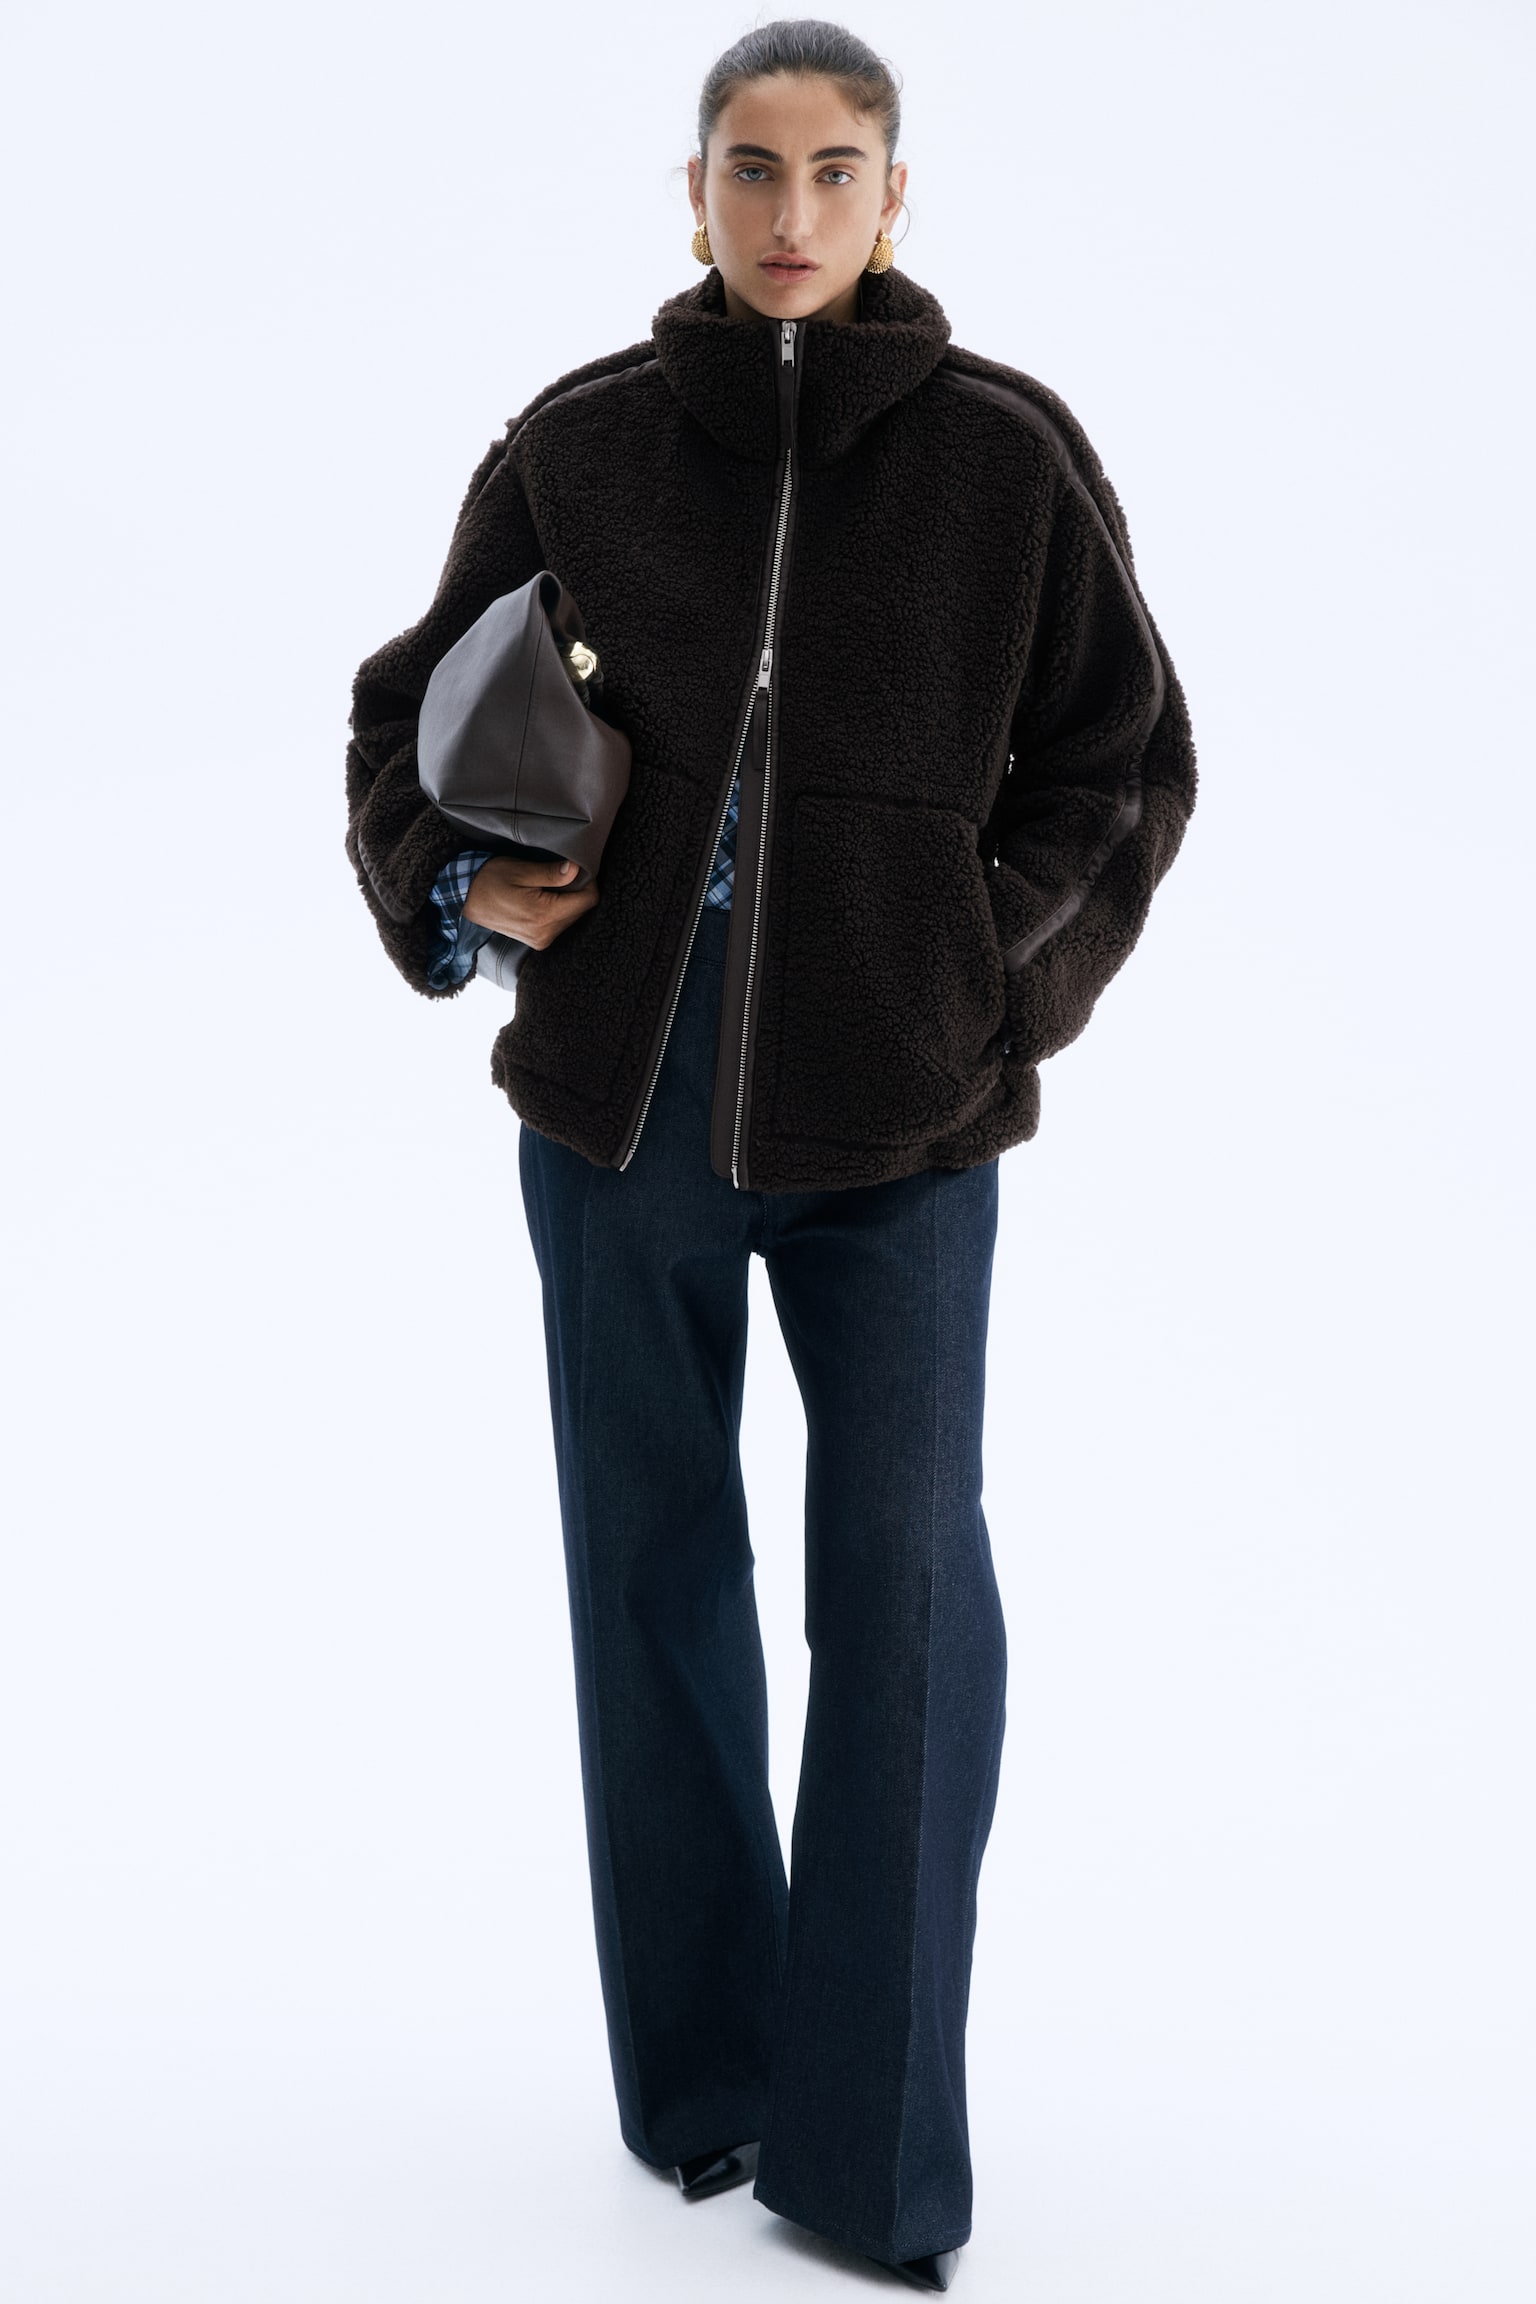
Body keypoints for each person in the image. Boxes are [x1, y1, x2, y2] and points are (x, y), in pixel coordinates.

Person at [344, 20, 1197, 2292]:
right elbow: (401, 708)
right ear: (697, 188)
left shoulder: (1007, 454)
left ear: (895, 195)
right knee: (649, 1575)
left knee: (905, 1596)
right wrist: (459, 886)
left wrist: (985, 986)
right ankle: (705, 2083)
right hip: (618, 1107)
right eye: (751, 167)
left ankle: (868, 2155)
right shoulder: (581, 442)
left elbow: (1122, 766)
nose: (791, 211)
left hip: (899, 1115)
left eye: (834, 171)